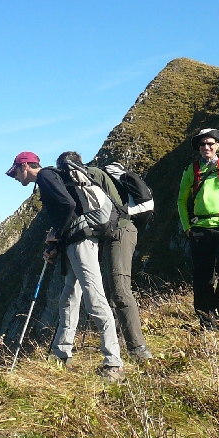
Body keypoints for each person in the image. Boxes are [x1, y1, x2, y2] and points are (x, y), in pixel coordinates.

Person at [6, 151, 124, 382]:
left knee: (95, 298)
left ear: (25, 166)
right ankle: (61, 354)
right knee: (69, 298)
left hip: (81, 242)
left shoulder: (46, 176)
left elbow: (67, 205)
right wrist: (57, 244)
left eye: (16, 172)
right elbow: (68, 212)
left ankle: (113, 362)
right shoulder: (50, 178)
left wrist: (55, 234)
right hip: (75, 241)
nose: (16, 177)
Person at [55, 151, 153, 364]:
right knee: (107, 291)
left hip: (120, 231)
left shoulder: (92, 176)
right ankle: (117, 344)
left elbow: (112, 209)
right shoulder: (82, 180)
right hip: (105, 234)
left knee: (119, 290)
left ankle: (138, 349)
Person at [176, 128, 219, 330]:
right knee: (203, 278)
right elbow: (181, 200)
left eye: (211, 143)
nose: (207, 147)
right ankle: (207, 321)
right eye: (203, 144)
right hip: (200, 230)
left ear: (218, 145)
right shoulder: (191, 169)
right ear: (199, 147)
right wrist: (188, 228)